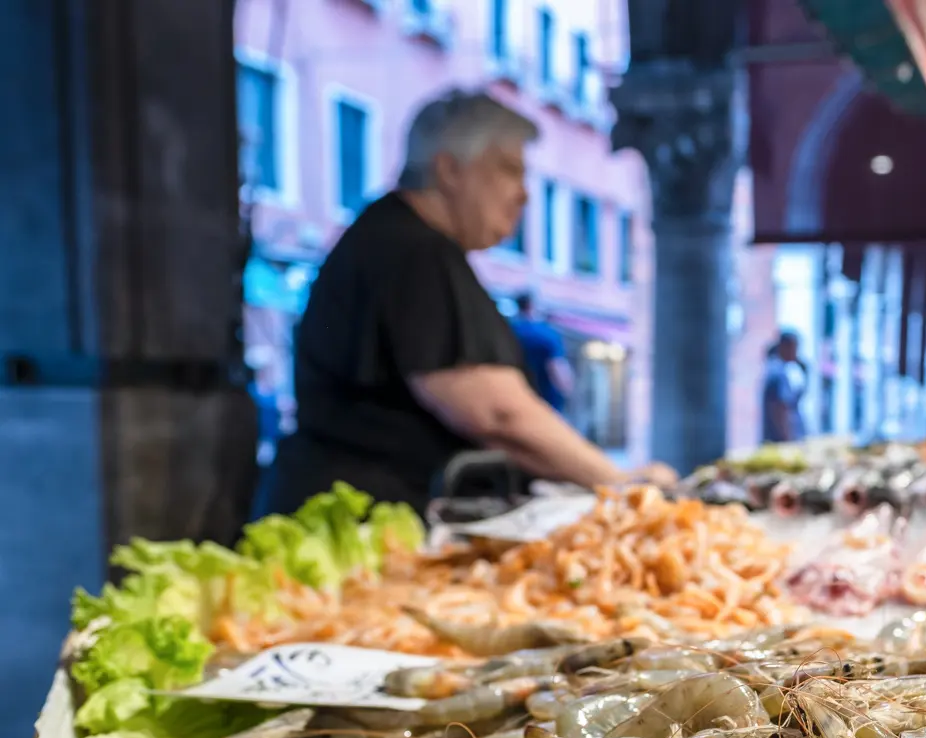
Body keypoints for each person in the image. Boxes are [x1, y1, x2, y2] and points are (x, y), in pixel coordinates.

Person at [255, 90, 671, 516]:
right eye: (509, 170)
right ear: (450, 170)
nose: (524, 195)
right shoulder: (415, 250)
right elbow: (498, 414)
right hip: (364, 522)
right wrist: (622, 484)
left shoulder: (394, 238)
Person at [510, 292, 575, 415]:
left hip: (513, 403)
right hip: (544, 406)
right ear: (531, 306)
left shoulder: (509, 332)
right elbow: (557, 369)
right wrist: (567, 388)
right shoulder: (546, 335)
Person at [762, 330, 807, 443]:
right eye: (794, 348)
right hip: (781, 438)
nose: (796, 353)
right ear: (784, 347)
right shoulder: (778, 373)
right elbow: (779, 408)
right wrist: (786, 437)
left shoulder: (777, 369)